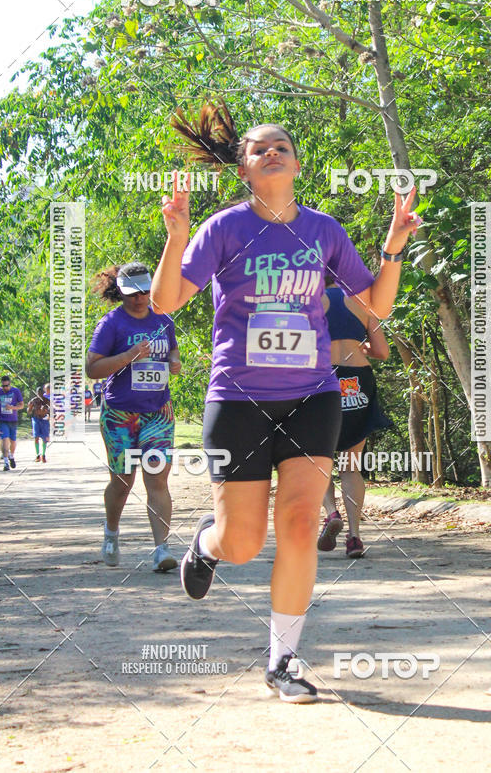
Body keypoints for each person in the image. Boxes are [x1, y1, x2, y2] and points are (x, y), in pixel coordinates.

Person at [151, 100, 421, 703]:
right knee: (243, 543)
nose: (271, 152)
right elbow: (167, 302)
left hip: (312, 395)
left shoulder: (324, 230)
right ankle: (206, 542)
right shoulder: (223, 228)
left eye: (282, 147)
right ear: (244, 168)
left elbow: (374, 306)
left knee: (299, 522)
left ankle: (284, 661)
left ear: (297, 164)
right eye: (258, 148)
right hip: (238, 398)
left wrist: (393, 249)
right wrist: (175, 239)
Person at [85, 262, 182, 573]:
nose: (139, 299)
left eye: (144, 292)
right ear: (121, 292)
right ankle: (111, 532)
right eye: (132, 294)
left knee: (157, 478)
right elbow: (92, 368)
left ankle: (161, 549)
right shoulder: (111, 324)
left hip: (158, 413)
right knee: (123, 480)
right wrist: (127, 357)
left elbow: (173, 352)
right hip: (120, 414)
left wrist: (175, 361)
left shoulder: (164, 320)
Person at [317, 282, 393, 558]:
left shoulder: (310, 300)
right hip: (358, 380)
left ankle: (331, 512)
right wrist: (363, 348)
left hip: (322, 378)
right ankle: (354, 537)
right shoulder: (363, 303)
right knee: (351, 464)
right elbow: (382, 352)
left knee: (318, 458)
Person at [0, 375, 24, 471]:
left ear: (10, 384)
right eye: (3, 386)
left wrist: (12, 408)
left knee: (13, 441)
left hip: (13, 420)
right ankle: (6, 462)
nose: (5, 388)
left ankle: (11, 456)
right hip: (2, 420)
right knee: (5, 439)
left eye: (7, 386)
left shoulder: (16, 391)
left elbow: (22, 405)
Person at [26, 385, 50, 462]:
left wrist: (46, 410)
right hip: (36, 419)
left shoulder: (46, 400)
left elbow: (52, 410)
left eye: (41, 393)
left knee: (44, 438)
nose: (39, 394)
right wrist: (29, 407)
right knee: (36, 437)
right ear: (36, 393)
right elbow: (29, 412)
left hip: (44, 420)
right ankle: (37, 455)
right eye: (38, 393)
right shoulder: (33, 401)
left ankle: (43, 454)